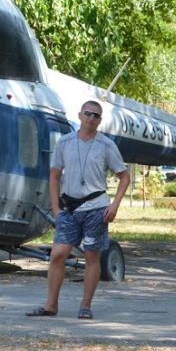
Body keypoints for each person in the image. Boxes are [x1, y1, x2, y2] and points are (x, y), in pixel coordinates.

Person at [27, 100, 130, 320]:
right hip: (69, 208)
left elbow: (124, 176)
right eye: (88, 113)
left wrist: (114, 206)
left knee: (92, 256)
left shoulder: (106, 145)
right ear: (80, 115)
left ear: (100, 121)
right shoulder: (65, 143)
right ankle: (50, 305)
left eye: (96, 115)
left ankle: (85, 305)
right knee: (58, 254)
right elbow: (54, 175)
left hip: (96, 208)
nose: (91, 118)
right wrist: (56, 207)